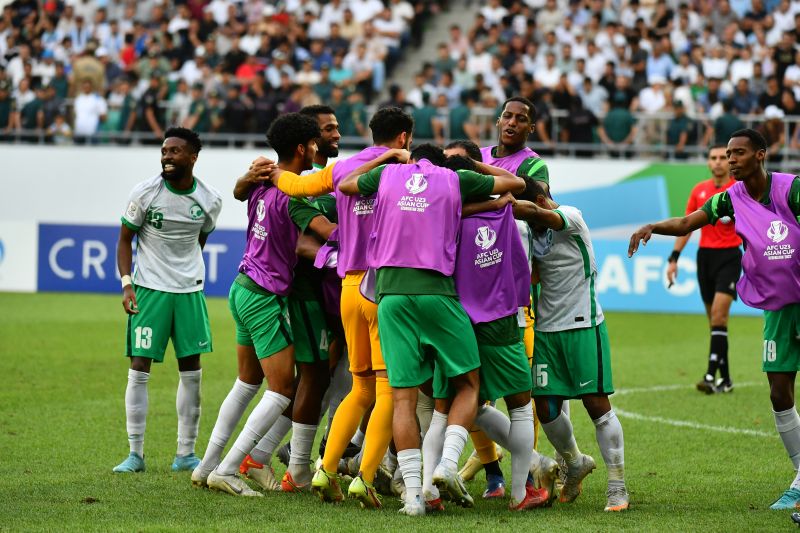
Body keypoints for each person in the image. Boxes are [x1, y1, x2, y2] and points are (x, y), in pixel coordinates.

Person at [338, 143, 525, 516]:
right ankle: (447, 465)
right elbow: (514, 183)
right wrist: (476, 167)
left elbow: (346, 185)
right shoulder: (454, 178)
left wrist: (388, 159)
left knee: (404, 399)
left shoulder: (388, 175)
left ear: (412, 158)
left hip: (389, 297)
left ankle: (413, 497)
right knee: (469, 383)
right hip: (435, 292)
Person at [629, 128, 800, 510]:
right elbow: (689, 222)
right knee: (778, 391)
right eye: (728, 153)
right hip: (778, 307)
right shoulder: (731, 199)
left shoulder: (791, 189)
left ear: (760, 154)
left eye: (739, 153)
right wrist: (652, 227)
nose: (732, 159)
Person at [264, 107, 415, 508]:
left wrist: (272, 172)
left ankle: (326, 468)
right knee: (388, 390)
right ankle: (363, 477)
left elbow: (297, 188)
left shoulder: (346, 167)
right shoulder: (405, 169)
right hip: (383, 287)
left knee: (360, 386)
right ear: (403, 137)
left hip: (348, 285)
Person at [191, 113, 328, 496]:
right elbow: (328, 232)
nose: (318, 148)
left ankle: (206, 466)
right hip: (266, 295)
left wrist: (246, 177)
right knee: (283, 388)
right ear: (302, 148)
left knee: (247, 382)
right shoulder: (294, 191)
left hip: (242, 286)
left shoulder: (262, 178)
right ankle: (230, 468)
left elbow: (239, 192)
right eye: (315, 142)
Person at [239, 105, 347, 492]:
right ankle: (285, 464)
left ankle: (275, 460)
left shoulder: (323, 179)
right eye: (326, 130)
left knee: (323, 380)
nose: (333, 135)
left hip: (322, 299)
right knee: (314, 380)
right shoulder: (292, 184)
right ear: (306, 142)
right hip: (306, 297)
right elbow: (306, 240)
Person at [114, 127, 222, 474]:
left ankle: (185, 453)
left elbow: (199, 240)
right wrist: (127, 285)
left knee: (192, 371)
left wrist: (185, 271)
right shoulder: (144, 193)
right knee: (139, 368)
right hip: (148, 291)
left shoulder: (209, 200)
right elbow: (125, 239)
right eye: (164, 151)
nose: (167, 156)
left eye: (175, 151)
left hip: (189, 292)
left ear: (193, 156)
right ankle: (135, 454)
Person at [518, 177, 629, 512]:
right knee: (546, 408)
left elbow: (549, 217)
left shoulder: (570, 215)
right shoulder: (534, 234)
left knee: (596, 404)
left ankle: (617, 487)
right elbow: (534, 277)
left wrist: (502, 203)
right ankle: (575, 461)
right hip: (548, 330)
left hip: (583, 325)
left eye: (528, 212)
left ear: (539, 200)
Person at [667, 145, 742, 394]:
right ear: (708, 162)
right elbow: (686, 226)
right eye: (714, 158)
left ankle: (710, 376)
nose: (719, 162)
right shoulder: (699, 190)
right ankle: (727, 378)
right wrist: (674, 257)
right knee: (715, 323)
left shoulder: (739, 190)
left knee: (719, 317)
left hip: (730, 256)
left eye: (723, 157)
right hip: (705, 258)